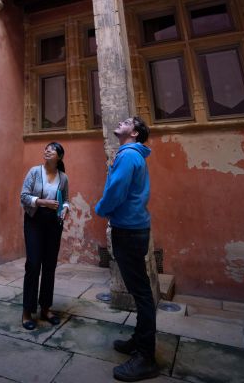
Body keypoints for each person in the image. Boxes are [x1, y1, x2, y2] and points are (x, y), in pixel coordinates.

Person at [95, 116, 159, 382]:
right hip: (133, 228)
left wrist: (101, 208)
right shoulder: (131, 154)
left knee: (142, 293)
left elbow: (117, 190)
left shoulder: (129, 155)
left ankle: (146, 357)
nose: (120, 123)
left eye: (126, 122)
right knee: (139, 289)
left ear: (133, 132)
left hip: (129, 230)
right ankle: (139, 340)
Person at [20, 142, 69, 330]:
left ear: (59, 157)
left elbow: (66, 200)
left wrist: (65, 209)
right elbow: (23, 196)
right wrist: (43, 202)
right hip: (34, 220)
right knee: (33, 264)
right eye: (46, 148)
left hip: (54, 223)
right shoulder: (34, 171)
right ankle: (27, 311)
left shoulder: (63, 177)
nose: (47, 150)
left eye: (52, 149)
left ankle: (46, 308)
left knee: (50, 266)